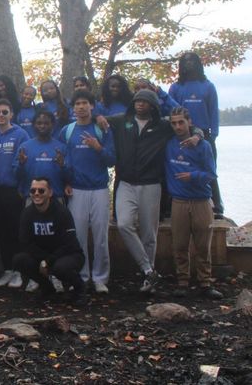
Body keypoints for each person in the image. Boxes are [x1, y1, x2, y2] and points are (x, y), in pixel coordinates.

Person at [96, 89, 203, 293]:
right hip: (126, 183)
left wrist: (197, 137)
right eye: (137, 101)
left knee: (149, 234)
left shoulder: (162, 125)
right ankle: (148, 270)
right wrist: (99, 116)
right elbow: (93, 117)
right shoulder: (121, 120)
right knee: (124, 224)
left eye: (145, 101)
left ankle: (148, 280)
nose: (140, 104)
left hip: (151, 184)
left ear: (153, 105)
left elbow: (193, 128)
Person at [59, 90, 115, 294]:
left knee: (101, 236)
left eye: (85, 103)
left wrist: (97, 147)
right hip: (76, 190)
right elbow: (62, 159)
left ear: (92, 106)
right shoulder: (67, 131)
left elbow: (111, 160)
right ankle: (81, 276)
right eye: (77, 103)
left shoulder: (101, 129)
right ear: (73, 108)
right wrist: (65, 181)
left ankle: (100, 278)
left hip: (99, 189)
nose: (81, 107)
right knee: (78, 237)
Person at [165, 107, 223, 300]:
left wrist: (193, 176)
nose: (177, 126)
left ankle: (205, 283)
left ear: (189, 122)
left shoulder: (203, 146)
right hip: (179, 201)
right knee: (179, 244)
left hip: (201, 201)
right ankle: (183, 282)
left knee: (203, 245)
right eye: (174, 123)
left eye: (181, 122)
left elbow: (211, 174)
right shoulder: (169, 144)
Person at [13, 177, 86, 305]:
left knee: (60, 268)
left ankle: (80, 290)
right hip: (42, 256)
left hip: (68, 255)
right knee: (19, 260)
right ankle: (47, 289)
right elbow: (25, 242)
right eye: (33, 190)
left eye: (41, 190)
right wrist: (44, 260)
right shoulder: (27, 213)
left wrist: (48, 261)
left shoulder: (62, 212)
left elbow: (69, 244)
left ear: (50, 193)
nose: (36, 194)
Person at [168, 52, 222, 216]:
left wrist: (212, 136)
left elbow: (213, 111)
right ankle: (174, 205)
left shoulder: (208, 86)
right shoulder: (176, 87)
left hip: (204, 134)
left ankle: (216, 207)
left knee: (209, 170)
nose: (188, 64)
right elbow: (171, 111)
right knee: (179, 167)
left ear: (198, 63)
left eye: (192, 61)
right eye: (185, 61)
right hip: (181, 133)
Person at [0, 99, 30, 289]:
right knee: (1, 232)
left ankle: (19, 272)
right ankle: (7, 270)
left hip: (14, 191)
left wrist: (21, 188)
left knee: (16, 232)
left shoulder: (21, 134)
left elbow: (22, 165)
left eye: (5, 112)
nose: (1, 116)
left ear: (11, 114)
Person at [14, 110, 67, 201]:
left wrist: (62, 165)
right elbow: (16, 175)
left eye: (46, 123)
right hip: (32, 198)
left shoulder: (61, 148)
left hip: (56, 198)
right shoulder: (24, 147)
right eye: (39, 123)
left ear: (53, 125)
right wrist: (21, 164)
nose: (42, 126)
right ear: (34, 125)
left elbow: (69, 177)